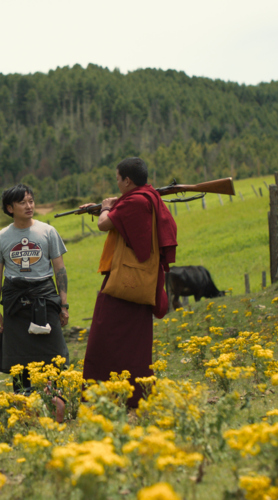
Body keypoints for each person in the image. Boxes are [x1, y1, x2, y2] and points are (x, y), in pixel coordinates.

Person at [81, 157, 177, 408]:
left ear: (127, 180)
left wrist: (104, 207)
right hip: (139, 279)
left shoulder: (135, 201)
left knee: (103, 336)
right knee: (133, 342)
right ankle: (133, 394)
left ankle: (109, 395)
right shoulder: (147, 196)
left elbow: (104, 224)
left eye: (118, 179)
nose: (117, 183)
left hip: (126, 281)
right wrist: (107, 205)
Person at [0, 184, 70, 420]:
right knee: (18, 360)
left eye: (31, 201)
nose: (29, 206)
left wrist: (63, 305)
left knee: (54, 355)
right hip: (14, 302)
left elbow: (60, 270)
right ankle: (24, 411)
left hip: (44, 298)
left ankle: (56, 407)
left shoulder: (48, 231)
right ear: (9, 208)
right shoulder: (1, 237)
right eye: (23, 202)